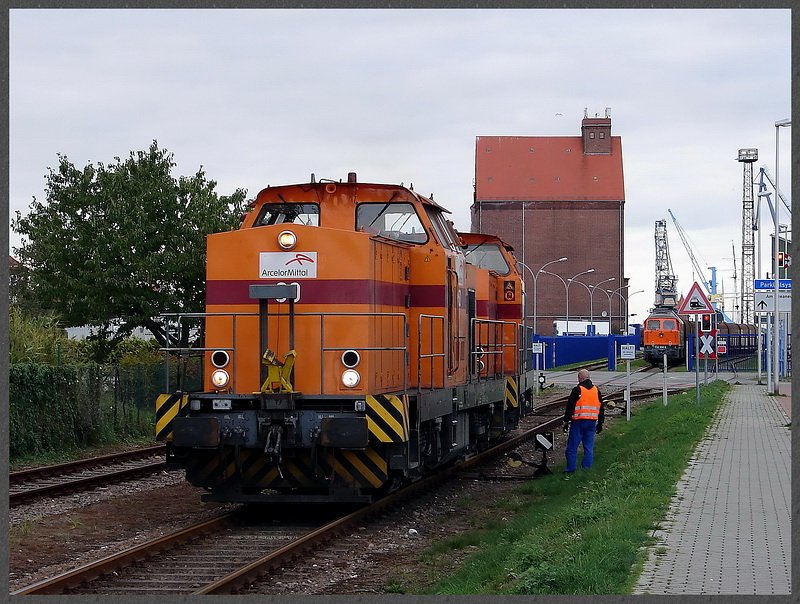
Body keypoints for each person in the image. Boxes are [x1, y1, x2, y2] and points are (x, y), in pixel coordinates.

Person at [562, 368, 605, 476]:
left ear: (580, 378)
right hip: (591, 423)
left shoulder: (577, 390)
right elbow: (601, 408)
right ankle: (586, 469)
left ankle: (570, 470)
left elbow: (570, 407)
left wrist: (566, 421)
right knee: (588, 447)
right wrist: (600, 423)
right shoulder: (596, 390)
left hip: (578, 422)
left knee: (572, 447)